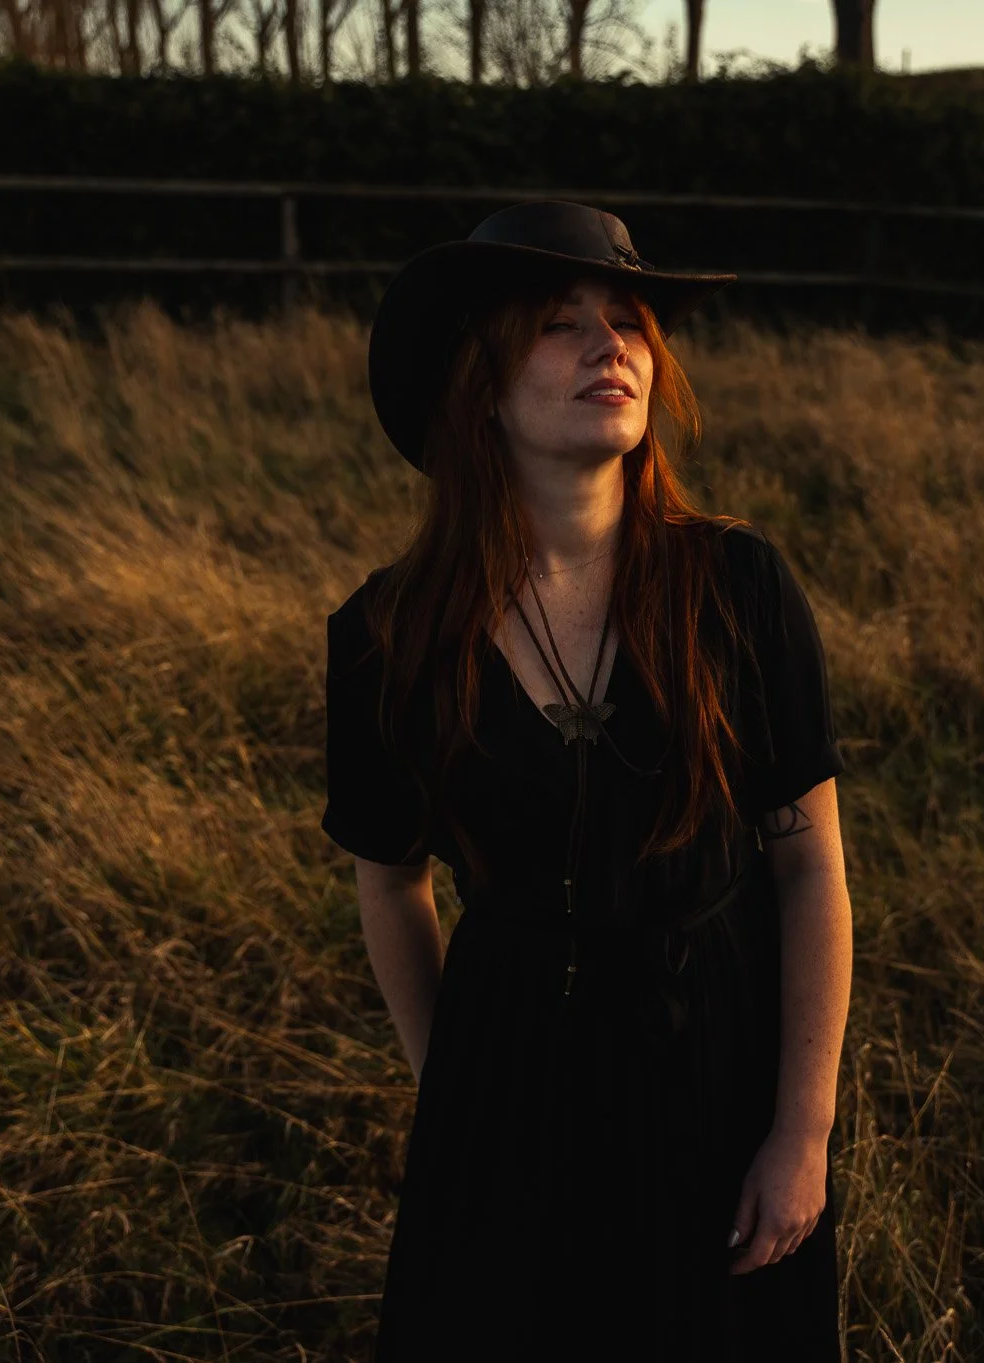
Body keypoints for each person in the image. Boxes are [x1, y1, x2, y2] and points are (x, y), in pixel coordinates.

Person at [321, 200, 854, 1361]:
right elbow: (389, 881)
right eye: (559, 324)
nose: (609, 345)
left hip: (714, 1067)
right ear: (478, 381)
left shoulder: (738, 585)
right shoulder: (385, 636)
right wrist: (454, 1090)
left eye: (627, 321)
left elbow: (808, 864)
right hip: (505, 1072)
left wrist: (799, 1131)